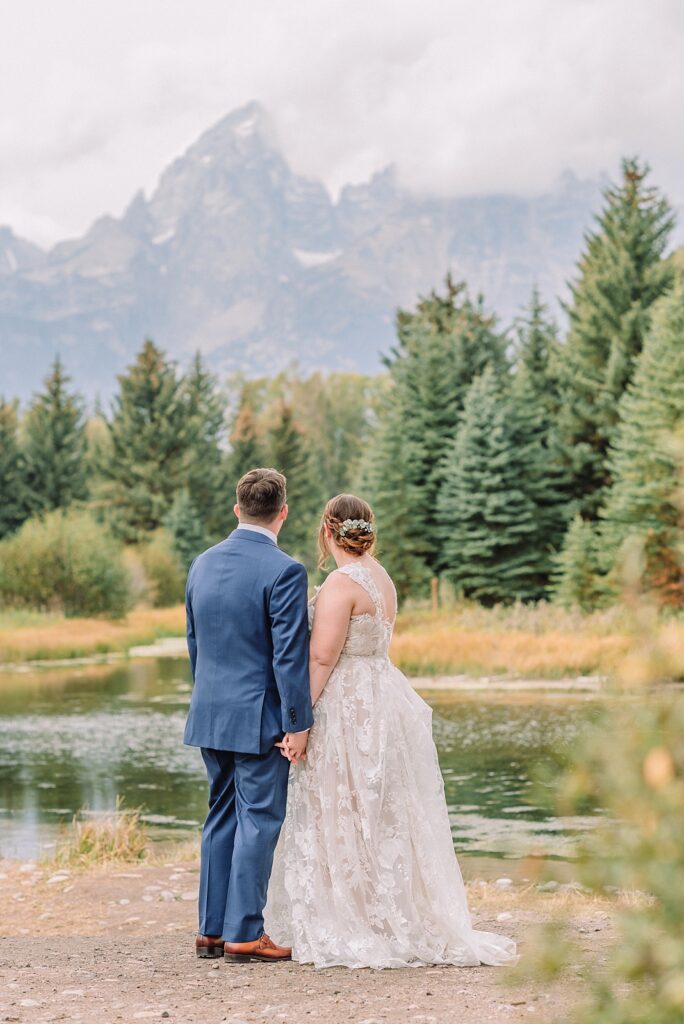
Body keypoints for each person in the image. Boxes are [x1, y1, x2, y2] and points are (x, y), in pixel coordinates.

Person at [264, 493, 517, 969]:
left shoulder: (341, 584)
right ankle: (386, 911)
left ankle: (355, 917)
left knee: (342, 804)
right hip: (381, 696)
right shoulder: (381, 578)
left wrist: (298, 721)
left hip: (347, 703)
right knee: (379, 808)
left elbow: (322, 658)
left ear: (326, 530)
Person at [184, 467, 313, 963]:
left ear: (238, 509)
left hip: (210, 713)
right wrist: (298, 723)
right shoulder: (284, 570)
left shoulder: (202, 563)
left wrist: (209, 698)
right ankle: (244, 933)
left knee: (219, 817)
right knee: (258, 820)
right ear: (282, 512)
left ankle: (211, 931)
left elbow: (195, 643)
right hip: (260, 718)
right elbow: (288, 656)